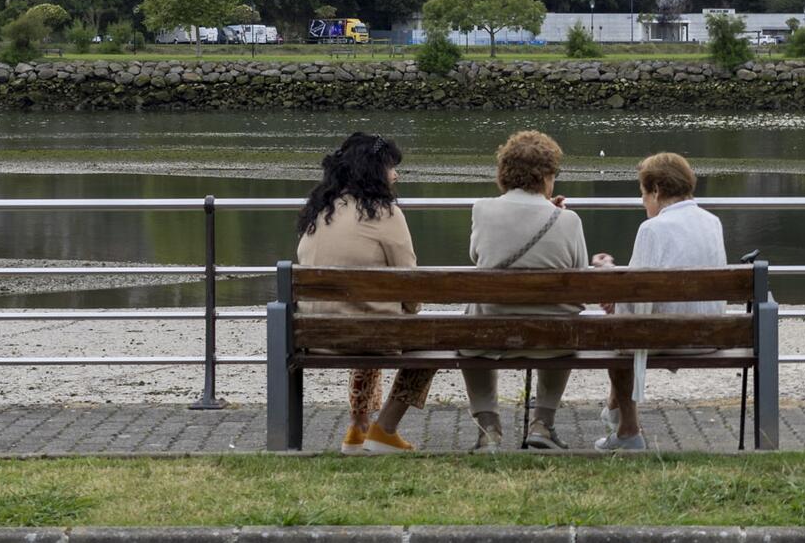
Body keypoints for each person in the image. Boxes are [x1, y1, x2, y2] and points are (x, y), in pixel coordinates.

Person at [294, 131, 435, 453]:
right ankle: (384, 429)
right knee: (431, 342)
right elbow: (411, 285)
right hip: (367, 334)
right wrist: (410, 311)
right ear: (374, 171)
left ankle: (358, 428)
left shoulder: (319, 209)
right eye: (390, 167)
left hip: (312, 334)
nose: (396, 174)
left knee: (369, 320)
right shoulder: (385, 213)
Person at [590, 151, 727, 452]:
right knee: (625, 326)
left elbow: (637, 295)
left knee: (617, 333)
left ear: (656, 190)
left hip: (667, 335)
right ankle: (614, 410)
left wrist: (608, 278)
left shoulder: (652, 229)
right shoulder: (712, 221)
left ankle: (626, 429)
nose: (642, 202)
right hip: (711, 333)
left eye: (643, 194)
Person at [462, 129, 587, 451]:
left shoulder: (482, 209)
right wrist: (555, 214)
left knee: (470, 326)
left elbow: (478, 257)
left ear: (504, 173)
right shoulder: (569, 220)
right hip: (553, 338)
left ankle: (488, 426)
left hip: (491, 333)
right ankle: (542, 425)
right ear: (546, 175)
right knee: (562, 320)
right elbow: (581, 276)